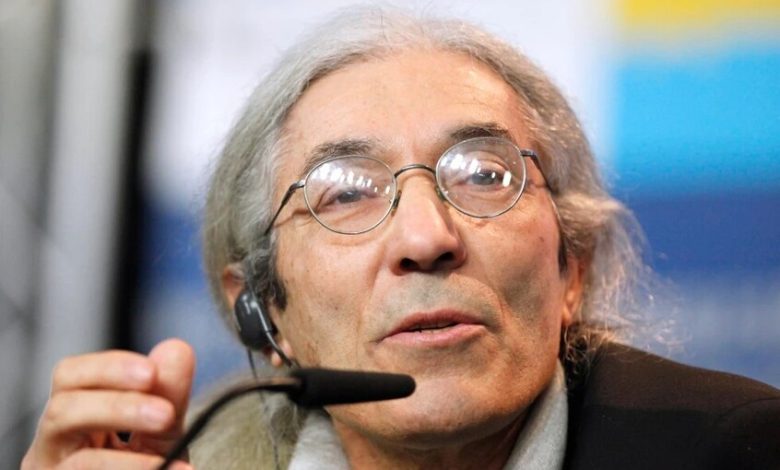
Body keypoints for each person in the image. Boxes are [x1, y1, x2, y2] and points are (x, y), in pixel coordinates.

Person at [22, 7, 780, 470]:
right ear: (263, 309)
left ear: (571, 269)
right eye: (346, 192)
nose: (425, 236)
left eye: (483, 174)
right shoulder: (200, 459)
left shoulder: (729, 449)